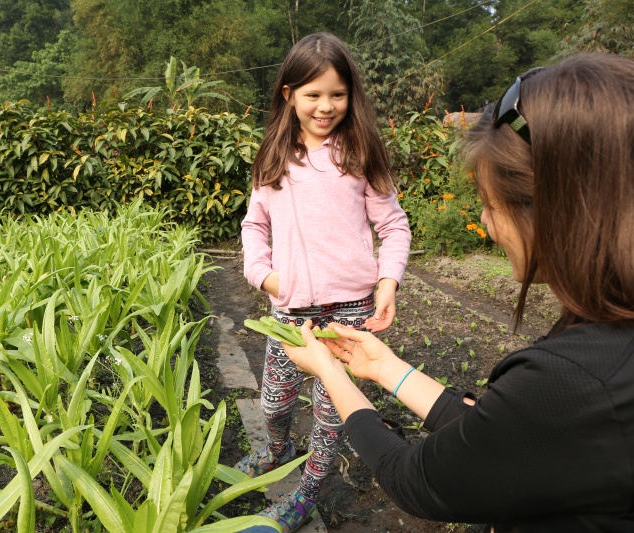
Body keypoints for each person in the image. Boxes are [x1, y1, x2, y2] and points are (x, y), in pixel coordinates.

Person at [282, 53, 634, 532]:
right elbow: (503, 430)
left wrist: (328, 371)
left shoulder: (574, 377)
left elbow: (413, 478)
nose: (486, 225)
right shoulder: (603, 345)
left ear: (559, 209)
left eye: (490, 205)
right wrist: (384, 368)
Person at [239, 33, 411, 531]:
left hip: (350, 315)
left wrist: (388, 282)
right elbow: (254, 226)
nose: (326, 106)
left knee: (332, 416)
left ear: (351, 95)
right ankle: (276, 448)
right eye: (313, 94)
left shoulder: (360, 152)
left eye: (337, 94)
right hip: (291, 316)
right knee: (274, 403)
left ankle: (306, 493)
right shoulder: (273, 156)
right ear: (288, 93)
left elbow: (394, 225)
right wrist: (265, 276)